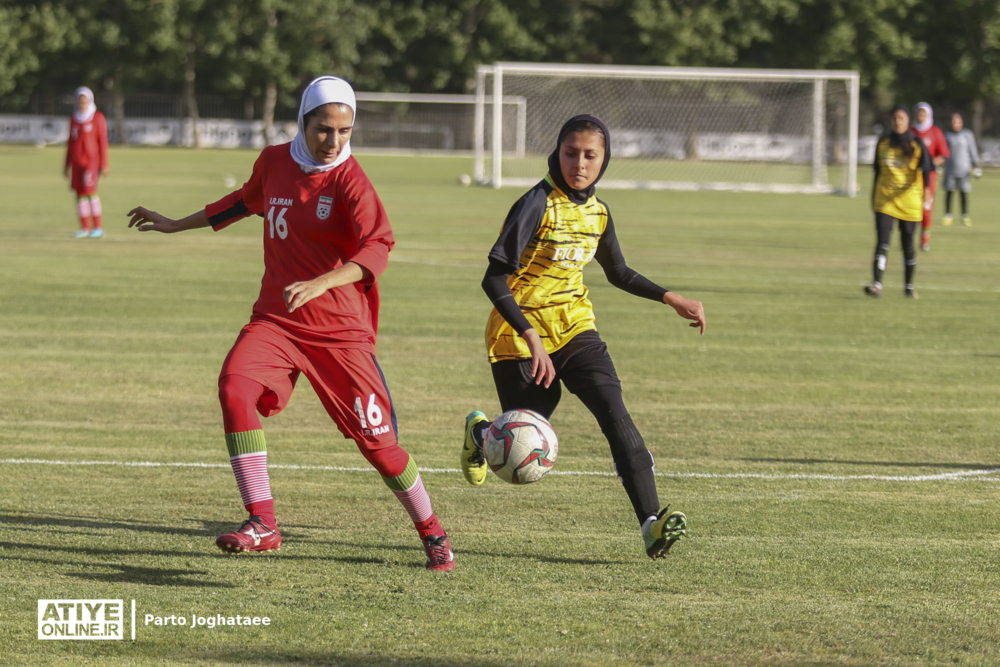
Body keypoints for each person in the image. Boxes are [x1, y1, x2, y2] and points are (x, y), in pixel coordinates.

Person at [126, 76, 455, 571]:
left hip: (340, 333)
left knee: (382, 450)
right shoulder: (275, 161)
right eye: (325, 129)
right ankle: (263, 523)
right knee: (234, 389)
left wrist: (324, 282)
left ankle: (433, 532)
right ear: (303, 122)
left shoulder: (351, 181)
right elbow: (241, 202)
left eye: (345, 131)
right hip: (277, 321)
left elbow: (378, 248)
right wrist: (175, 223)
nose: (335, 141)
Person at [459, 115, 706, 560]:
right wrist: (532, 337)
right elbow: (493, 280)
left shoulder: (598, 213)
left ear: (604, 159)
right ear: (557, 152)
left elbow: (619, 272)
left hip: (576, 328)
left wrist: (671, 297)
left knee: (614, 411)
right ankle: (480, 435)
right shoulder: (536, 203)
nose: (579, 162)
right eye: (571, 152)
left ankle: (651, 525)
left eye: (590, 155)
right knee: (526, 430)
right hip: (519, 333)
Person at [865, 106, 932, 299]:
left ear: (908, 121)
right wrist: (873, 195)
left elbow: (927, 168)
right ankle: (876, 285)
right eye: (895, 118)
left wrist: (927, 190)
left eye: (901, 118)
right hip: (884, 200)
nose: (898, 121)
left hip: (909, 202)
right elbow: (877, 171)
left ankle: (909, 287)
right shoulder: (883, 143)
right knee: (882, 242)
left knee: (908, 245)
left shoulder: (916, 143)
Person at [65, 87, 109, 238]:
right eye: (79, 101)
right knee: (79, 193)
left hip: (91, 162)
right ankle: (84, 228)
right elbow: (70, 143)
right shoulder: (73, 118)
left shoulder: (97, 117)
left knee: (91, 192)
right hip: (77, 162)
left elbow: (103, 142)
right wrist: (67, 164)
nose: (82, 103)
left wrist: (104, 163)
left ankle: (98, 227)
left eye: (84, 101)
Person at [909, 102, 949, 251]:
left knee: (926, 209)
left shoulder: (935, 132)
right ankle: (908, 239)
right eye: (919, 113)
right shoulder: (910, 131)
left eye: (923, 114)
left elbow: (943, 154)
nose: (921, 116)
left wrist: (929, 163)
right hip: (912, 176)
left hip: (929, 178)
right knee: (911, 207)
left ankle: (924, 240)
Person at [943, 112, 981, 226]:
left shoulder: (967, 135)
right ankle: (948, 215)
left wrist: (976, 165)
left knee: (964, 193)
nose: (956, 124)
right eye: (954, 122)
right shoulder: (947, 135)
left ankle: (964, 216)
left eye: (958, 121)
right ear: (950, 123)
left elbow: (972, 150)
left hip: (964, 170)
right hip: (950, 169)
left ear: (962, 123)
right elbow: (942, 152)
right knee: (949, 192)